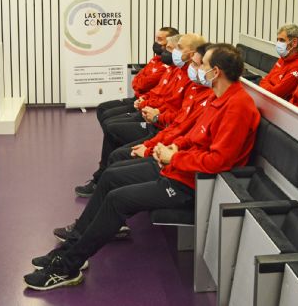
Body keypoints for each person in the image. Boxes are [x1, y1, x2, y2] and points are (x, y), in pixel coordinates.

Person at [24, 43, 260, 291]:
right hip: (179, 170)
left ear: (217, 71)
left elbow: (218, 161)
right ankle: (72, 246)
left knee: (117, 199)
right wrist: (168, 149)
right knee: (111, 178)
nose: (198, 69)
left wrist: (174, 158)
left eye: (203, 65)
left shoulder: (238, 107)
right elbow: (190, 136)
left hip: (193, 185)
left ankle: (68, 266)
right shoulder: (217, 98)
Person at [74, 34, 205, 197]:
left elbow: (179, 120)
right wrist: (146, 102)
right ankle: (104, 180)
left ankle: (102, 181)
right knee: (108, 120)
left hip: (159, 129)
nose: (168, 51)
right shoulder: (175, 71)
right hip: (155, 121)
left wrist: (157, 119)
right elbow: (151, 90)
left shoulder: (192, 83)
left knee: (113, 134)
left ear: (192, 54)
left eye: (176, 48)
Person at [96, 27, 179, 125]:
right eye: (156, 39)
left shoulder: (168, 67)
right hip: (139, 99)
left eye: (160, 39)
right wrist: (139, 84)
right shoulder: (155, 59)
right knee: (102, 108)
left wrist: (142, 98)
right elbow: (137, 81)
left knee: (109, 120)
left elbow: (143, 85)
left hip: (146, 104)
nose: (156, 42)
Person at [259, 23, 298, 99]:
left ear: (294, 42)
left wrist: (266, 85)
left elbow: (277, 93)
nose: (278, 43)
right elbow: (264, 80)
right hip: (267, 97)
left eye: (282, 40)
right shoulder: (283, 58)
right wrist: (268, 86)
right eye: (277, 40)